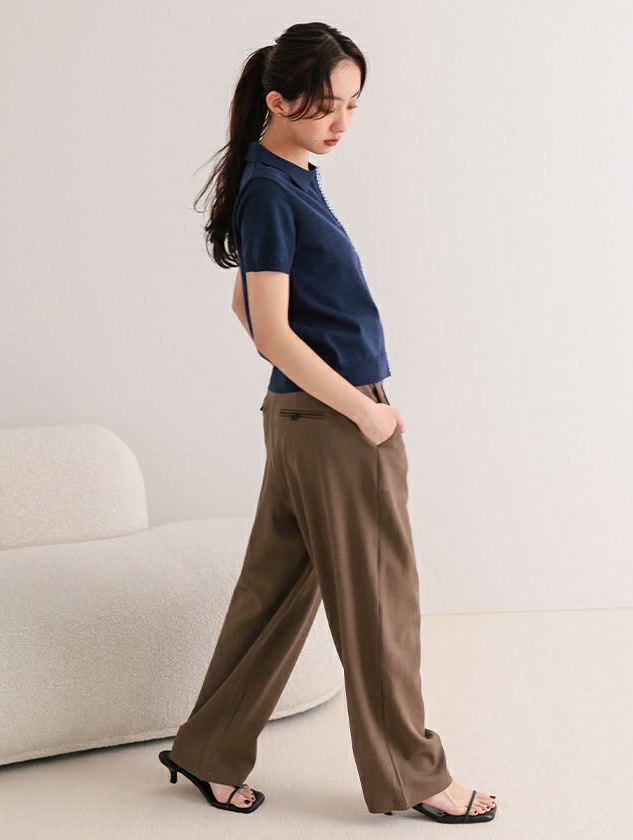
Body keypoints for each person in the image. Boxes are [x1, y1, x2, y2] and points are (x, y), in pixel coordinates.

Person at [159, 21, 498, 824]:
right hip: (336, 421)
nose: (341, 122)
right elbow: (270, 330)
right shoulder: (271, 190)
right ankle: (416, 777)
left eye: (351, 104)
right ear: (278, 101)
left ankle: (207, 751)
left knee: (274, 594)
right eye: (324, 106)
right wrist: (363, 412)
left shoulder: (288, 173)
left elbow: (245, 305)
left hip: (303, 416)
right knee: (381, 607)